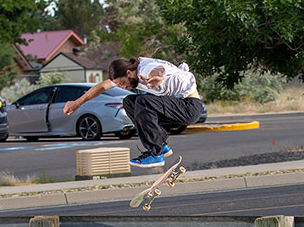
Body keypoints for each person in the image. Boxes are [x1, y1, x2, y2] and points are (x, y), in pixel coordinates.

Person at [63, 56, 204, 167]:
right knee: (129, 102)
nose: (123, 87)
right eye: (119, 85)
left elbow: (158, 69)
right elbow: (101, 87)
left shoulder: (144, 69)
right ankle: (162, 145)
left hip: (189, 107)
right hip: (178, 106)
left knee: (144, 102)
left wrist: (158, 77)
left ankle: (156, 153)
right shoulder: (131, 72)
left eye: (122, 83)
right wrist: (77, 103)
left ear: (129, 72)